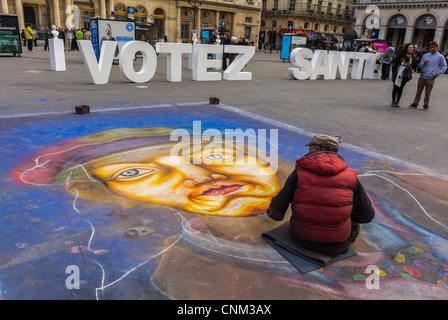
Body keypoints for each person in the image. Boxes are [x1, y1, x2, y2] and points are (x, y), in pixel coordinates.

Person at [265, 134, 375, 256]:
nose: (308, 150)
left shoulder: (299, 172)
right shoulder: (351, 175)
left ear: (317, 148)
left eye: (310, 147)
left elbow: (276, 212)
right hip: (338, 245)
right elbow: (366, 216)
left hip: (302, 239)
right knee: (352, 214)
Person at [409, 40, 447, 111]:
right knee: (419, 91)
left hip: (431, 77)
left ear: (437, 48)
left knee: (428, 92)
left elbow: (444, 66)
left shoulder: (440, 56)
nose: (432, 49)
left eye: (434, 47)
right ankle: (415, 103)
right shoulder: (426, 55)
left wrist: (438, 73)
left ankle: (426, 104)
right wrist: (424, 63)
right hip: (422, 76)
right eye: (431, 47)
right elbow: (420, 65)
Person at [391, 43, 415, 108]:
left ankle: (397, 101)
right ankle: (393, 101)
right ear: (406, 48)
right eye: (410, 47)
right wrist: (402, 64)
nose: (411, 49)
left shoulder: (412, 56)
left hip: (406, 74)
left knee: (401, 88)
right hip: (398, 73)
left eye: (412, 48)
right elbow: (394, 61)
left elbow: (414, 65)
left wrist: (410, 67)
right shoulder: (400, 55)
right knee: (395, 87)